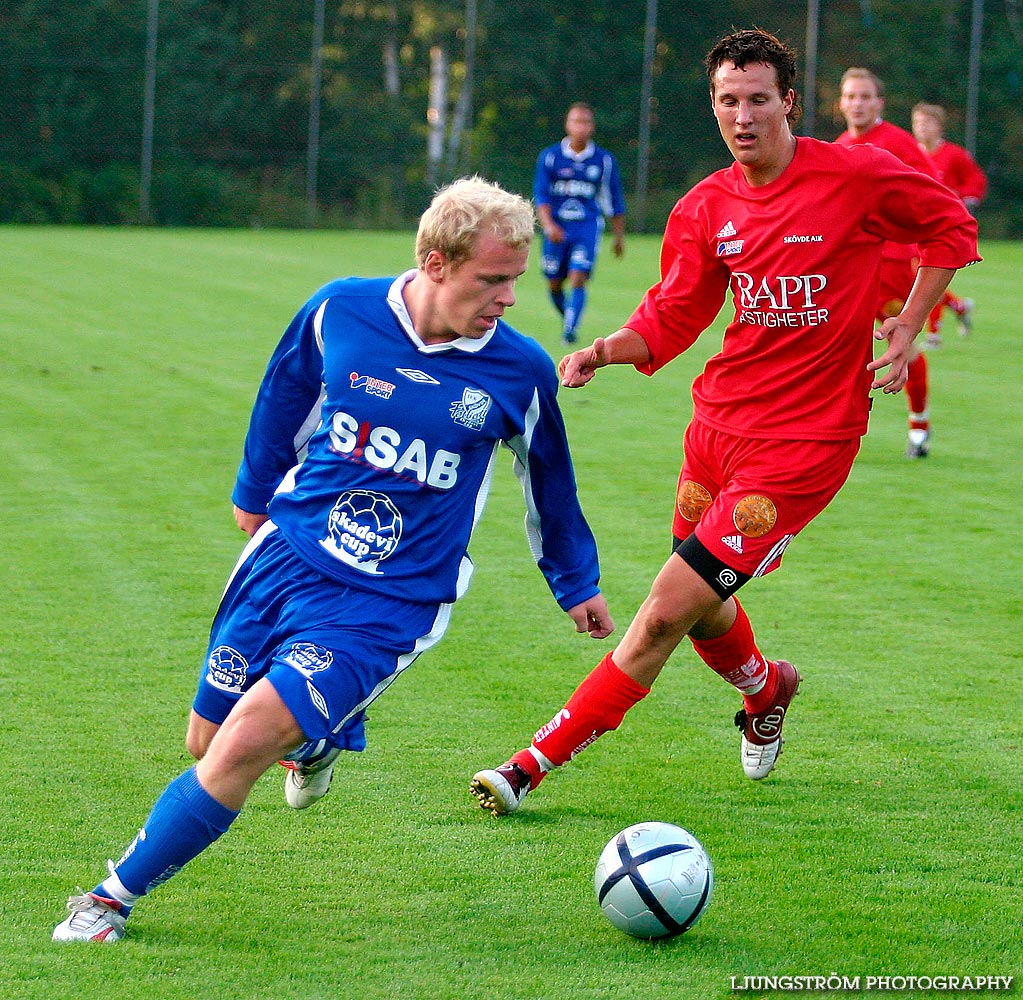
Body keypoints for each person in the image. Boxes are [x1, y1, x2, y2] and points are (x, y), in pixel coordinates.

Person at [52, 177, 615, 942]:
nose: (509, 298)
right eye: (493, 279)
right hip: (285, 555)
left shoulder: (518, 371)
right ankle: (316, 739)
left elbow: (548, 478)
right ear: (435, 262)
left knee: (246, 740)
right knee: (206, 742)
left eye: (515, 279)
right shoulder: (340, 310)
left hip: (392, 599)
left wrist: (573, 580)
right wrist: (254, 490)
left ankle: (107, 900)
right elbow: (284, 391)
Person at [470, 28, 979, 817]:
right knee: (704, 597)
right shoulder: (704, 207)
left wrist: (909, 321)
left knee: (665, 609)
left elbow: (949, 225)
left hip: (805, 446)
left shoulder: (853, 175)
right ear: (713, 105)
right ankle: (764, 686)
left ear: (789, 103)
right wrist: (603, 349)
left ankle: (528, 765)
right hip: (716, 430)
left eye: (757, 100)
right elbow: (673, 314)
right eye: (727, 101)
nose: (742, 116)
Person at [836, 67, 940, 459]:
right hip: (850, 267)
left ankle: (919, 424)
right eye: (851, 96)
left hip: (894, 264)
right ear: (841, 103)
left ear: (879, 103)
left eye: (865, 96)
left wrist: (919, 247)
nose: (857, 103)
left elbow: (935, 196)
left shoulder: (898, 143)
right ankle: (835, 428)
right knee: (838, 344)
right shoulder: (839, 146)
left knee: (902, 344)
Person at [534, 102, 626, 345]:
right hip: (557, 228)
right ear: (567, 124)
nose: (581, 127)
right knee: (554, 281)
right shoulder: (551, 157)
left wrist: (618, 237)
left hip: (586, 227)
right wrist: (548, 225)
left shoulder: (603, 161)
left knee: (577, 277)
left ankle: (570, 330)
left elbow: (614, 200)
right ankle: (570, 316)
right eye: (576, 121)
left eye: (585, 122)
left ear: (592, 127)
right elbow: (541, 196)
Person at [912, 101, 987, 346]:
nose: (922, 127)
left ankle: (934, 334)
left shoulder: (954, 154)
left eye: (927, 122)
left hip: (943, 226)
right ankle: (958, 306)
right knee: (918, 278)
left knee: (928, 273)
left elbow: (976, 181)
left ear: (939, 126)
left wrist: (962, 197)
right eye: (918, 122)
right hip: (914, 225)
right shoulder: (910, 152)